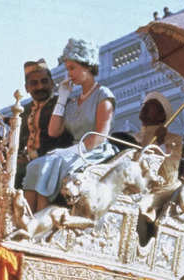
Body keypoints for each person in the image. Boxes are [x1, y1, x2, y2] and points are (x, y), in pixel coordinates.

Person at [23, 38, 116, 212]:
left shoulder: (103, 95)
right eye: (67, 69)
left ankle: (41, 220)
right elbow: (53, 131)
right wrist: (63, 97)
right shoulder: (73, 101)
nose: (69, 74)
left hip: (95, 151)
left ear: (87, 66)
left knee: (47, 165)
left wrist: (69, 151)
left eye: (72, 68)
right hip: (73, 152)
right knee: (34, 166)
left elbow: (100, 136)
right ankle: (29, 220)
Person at [15, 58, 73, 189]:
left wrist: (34, 157)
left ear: (52, 83)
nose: (40, 87)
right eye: (34, 83)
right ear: (27, 88)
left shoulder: (63, 104)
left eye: (44, 81)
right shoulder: (24, 112)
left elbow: (66, 139)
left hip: (52, 164)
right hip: (28, 166)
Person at [135, 91, 183, 219]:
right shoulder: (135, 137)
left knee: (138, 207)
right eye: (144, 104)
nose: (145, 107)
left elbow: (169, 174)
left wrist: (160, 142)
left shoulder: (174, 139)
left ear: (161, 114)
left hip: (161, 190)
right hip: (134, 186)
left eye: (151, 105)